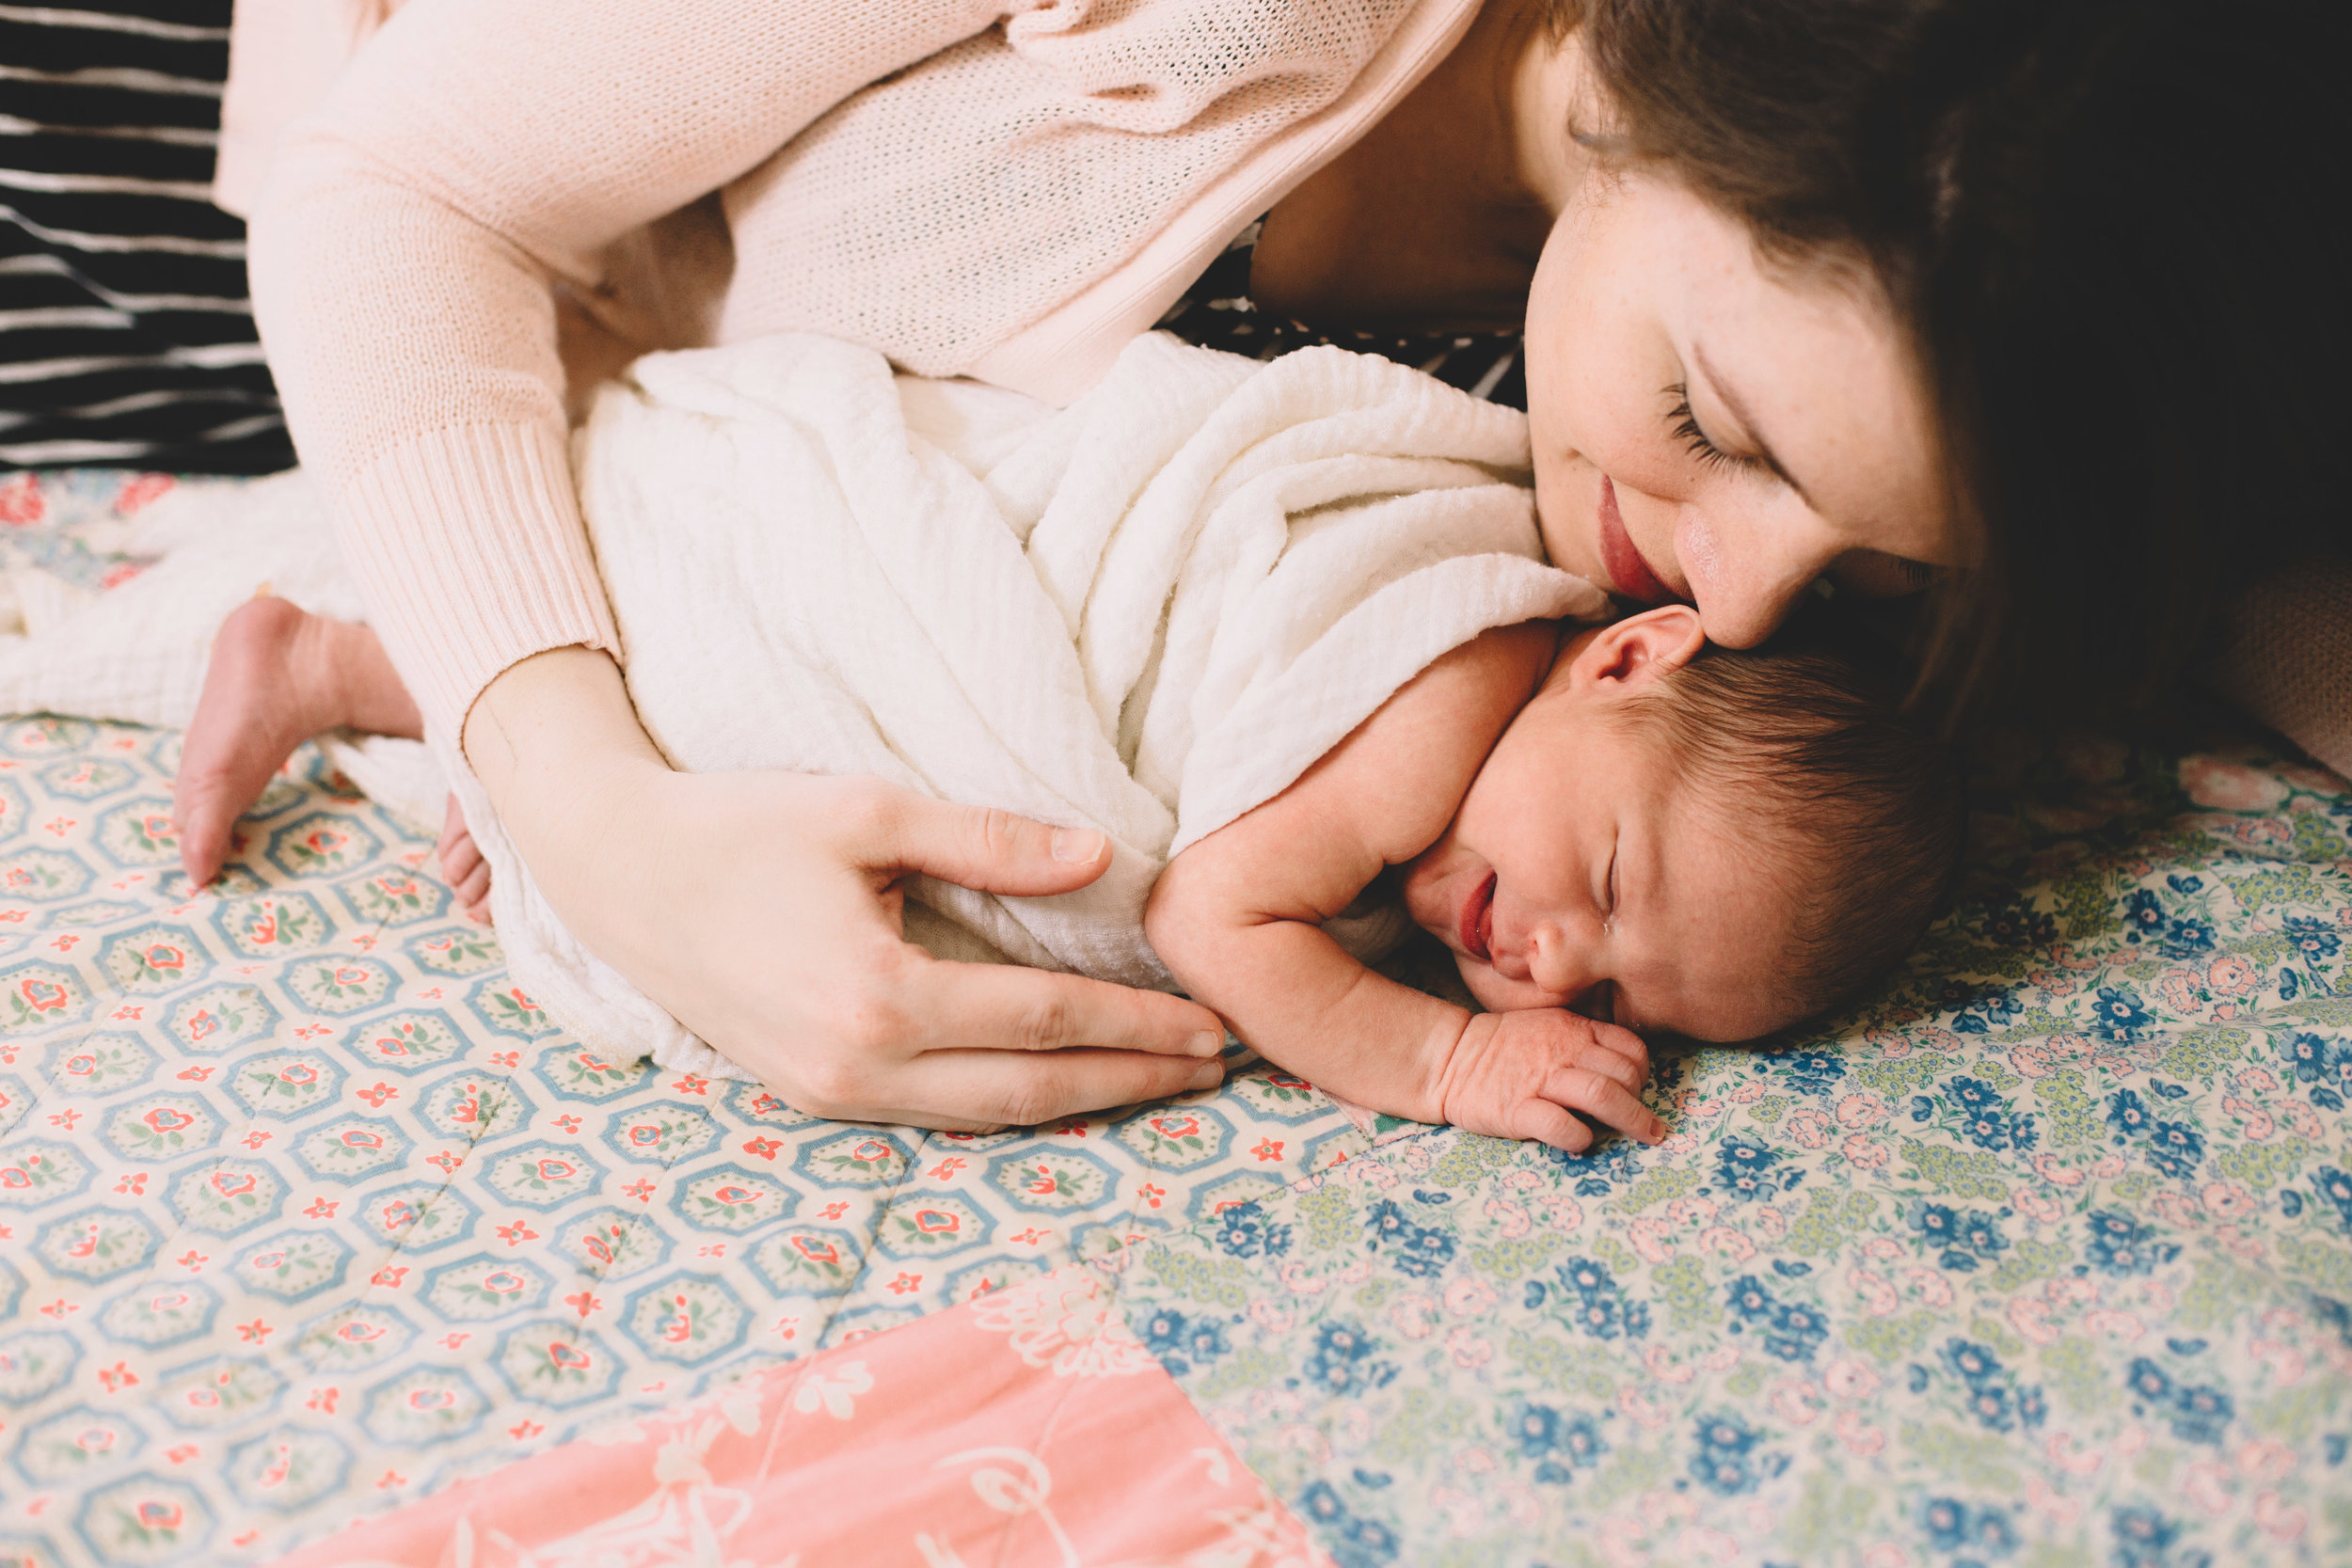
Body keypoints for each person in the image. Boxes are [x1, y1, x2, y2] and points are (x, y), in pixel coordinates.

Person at [183, 0, 2347, 1131]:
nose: (1751, 602)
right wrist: (599, 821)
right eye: (1714, 430)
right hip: (252, 195)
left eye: (1881, 567)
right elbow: (405, 200)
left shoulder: (2037, 284)